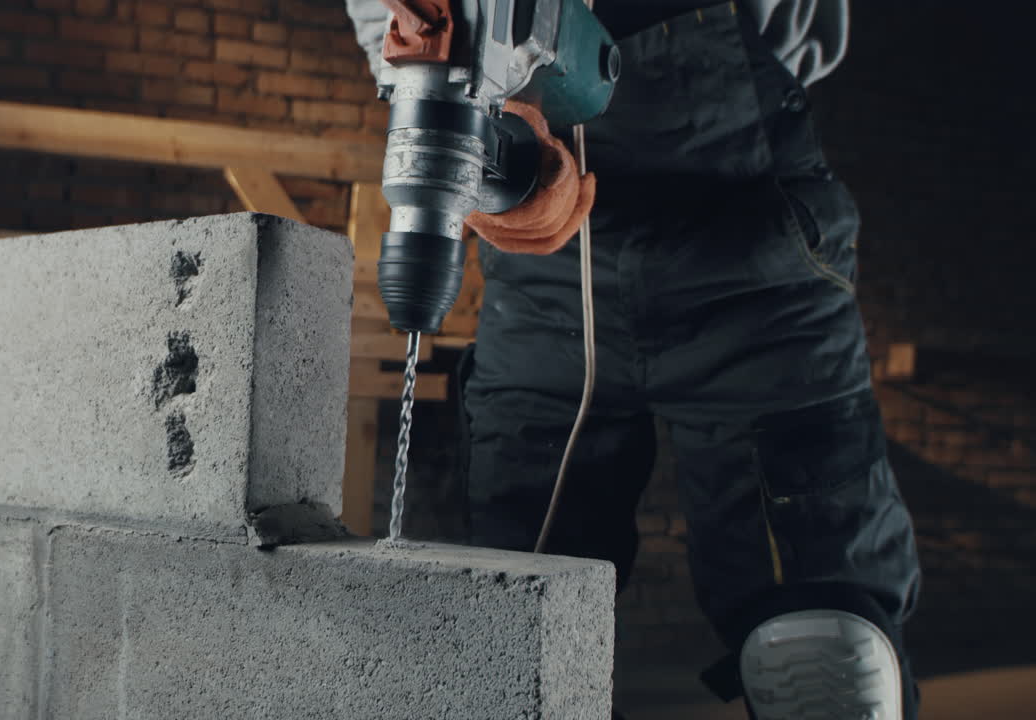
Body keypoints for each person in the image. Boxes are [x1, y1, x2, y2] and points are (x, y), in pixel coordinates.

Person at [347, 2, 922, 718]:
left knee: (820, 647)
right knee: (511, 620)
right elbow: (400, 29)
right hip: (548, 270)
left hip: (749, 242)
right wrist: (491, 133)